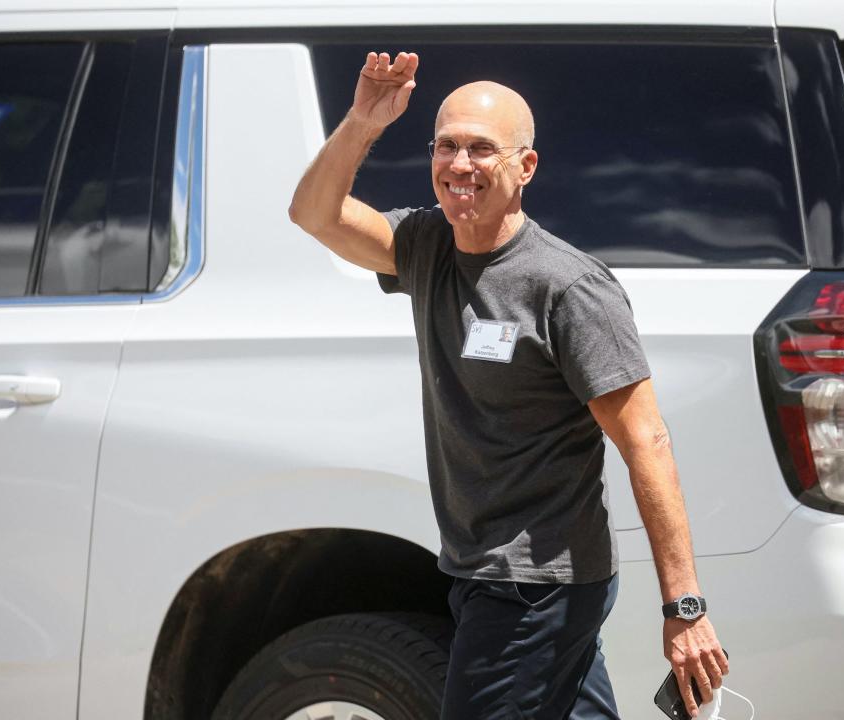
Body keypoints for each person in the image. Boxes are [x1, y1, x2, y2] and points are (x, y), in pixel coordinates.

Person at [289, 50, 728, 720]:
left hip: (534, 585)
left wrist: (685, 608)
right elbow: (314, 215)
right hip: (481, 571)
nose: (460, 165)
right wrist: (362, 121)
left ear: (525, 168)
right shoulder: (427, 244)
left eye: (482, 149)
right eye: (446, 146)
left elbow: (647, 442)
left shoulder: (568, 287)